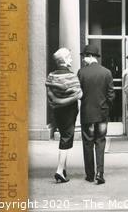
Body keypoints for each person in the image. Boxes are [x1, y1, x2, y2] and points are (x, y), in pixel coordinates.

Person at [78, 44, 115, 184]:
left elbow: (79, 93)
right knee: (100, 142)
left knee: (88, 143)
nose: (83, 59)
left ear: (89, 56)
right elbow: (111, 95)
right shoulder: (106, 72)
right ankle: (100, 173)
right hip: (102, 114)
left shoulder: (81, 73)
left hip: (87, 114)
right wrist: (105, 107)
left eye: (84, 56)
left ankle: (89, 174)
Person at [46, 48, 82, 183]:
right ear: (65, 60)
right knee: (67, 139)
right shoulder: (72, 76)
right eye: (70, 57)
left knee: (63, 137)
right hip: (69, 111)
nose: (71, 59)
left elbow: (51, 95)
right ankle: (59, 170)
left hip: (57, 111)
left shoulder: (51, 76)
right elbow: (79, 94)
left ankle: (64, 169)